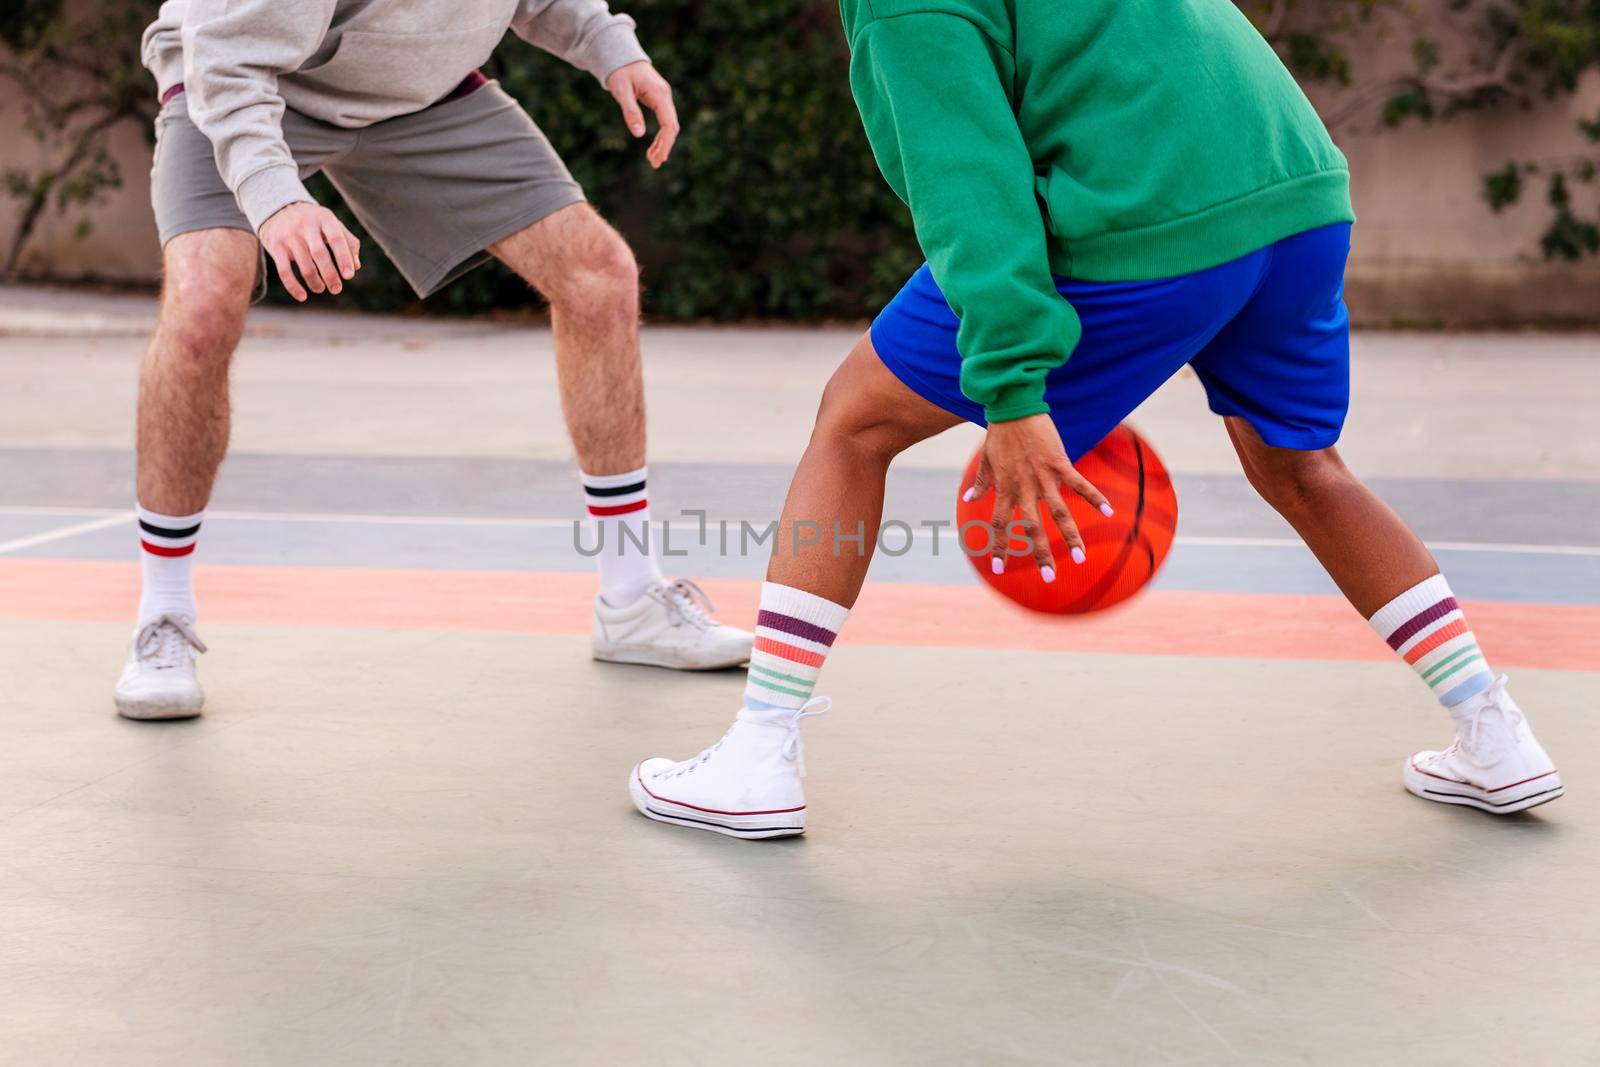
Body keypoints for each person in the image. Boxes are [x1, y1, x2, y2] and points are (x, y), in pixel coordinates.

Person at [627, 0, 1563, 837]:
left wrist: (1013, 390)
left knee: (853, 423)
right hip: (1293, 189)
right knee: (1303, 468)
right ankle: (1495, 731)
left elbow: (970, 184)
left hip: (1143, 213)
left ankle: (760, 753)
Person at [116, 0, 751, 721]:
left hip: (416, 93)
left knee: (599, 275)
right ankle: (161, 615)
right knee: (201, 304)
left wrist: (609, 46)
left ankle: (632, 595)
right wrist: (276, 197)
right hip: (241, 78)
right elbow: (227, 58)